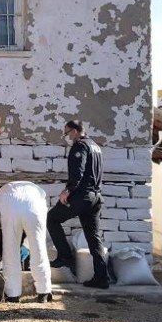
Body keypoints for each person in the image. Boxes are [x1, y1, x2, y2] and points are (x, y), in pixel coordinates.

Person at [46, 120, 109, 289]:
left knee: (52, 218)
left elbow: (78, 173)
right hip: (96, 197)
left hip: (82, 196)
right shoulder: (95, 146)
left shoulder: (79, 146)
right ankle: (102, 278)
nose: (67, 137)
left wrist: (68, 190)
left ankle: (65, 257)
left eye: (67, 133)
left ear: (75, 131)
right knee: (93, 238)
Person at [0, 181, 53, 303]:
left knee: (10, 251)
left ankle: (12, 294)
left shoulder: (4, 190)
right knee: (38, 248)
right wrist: (26, 245)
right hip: (35, 205)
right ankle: (44, 292)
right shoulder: (38, 192)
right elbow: (39, 229)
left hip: (10, 204)